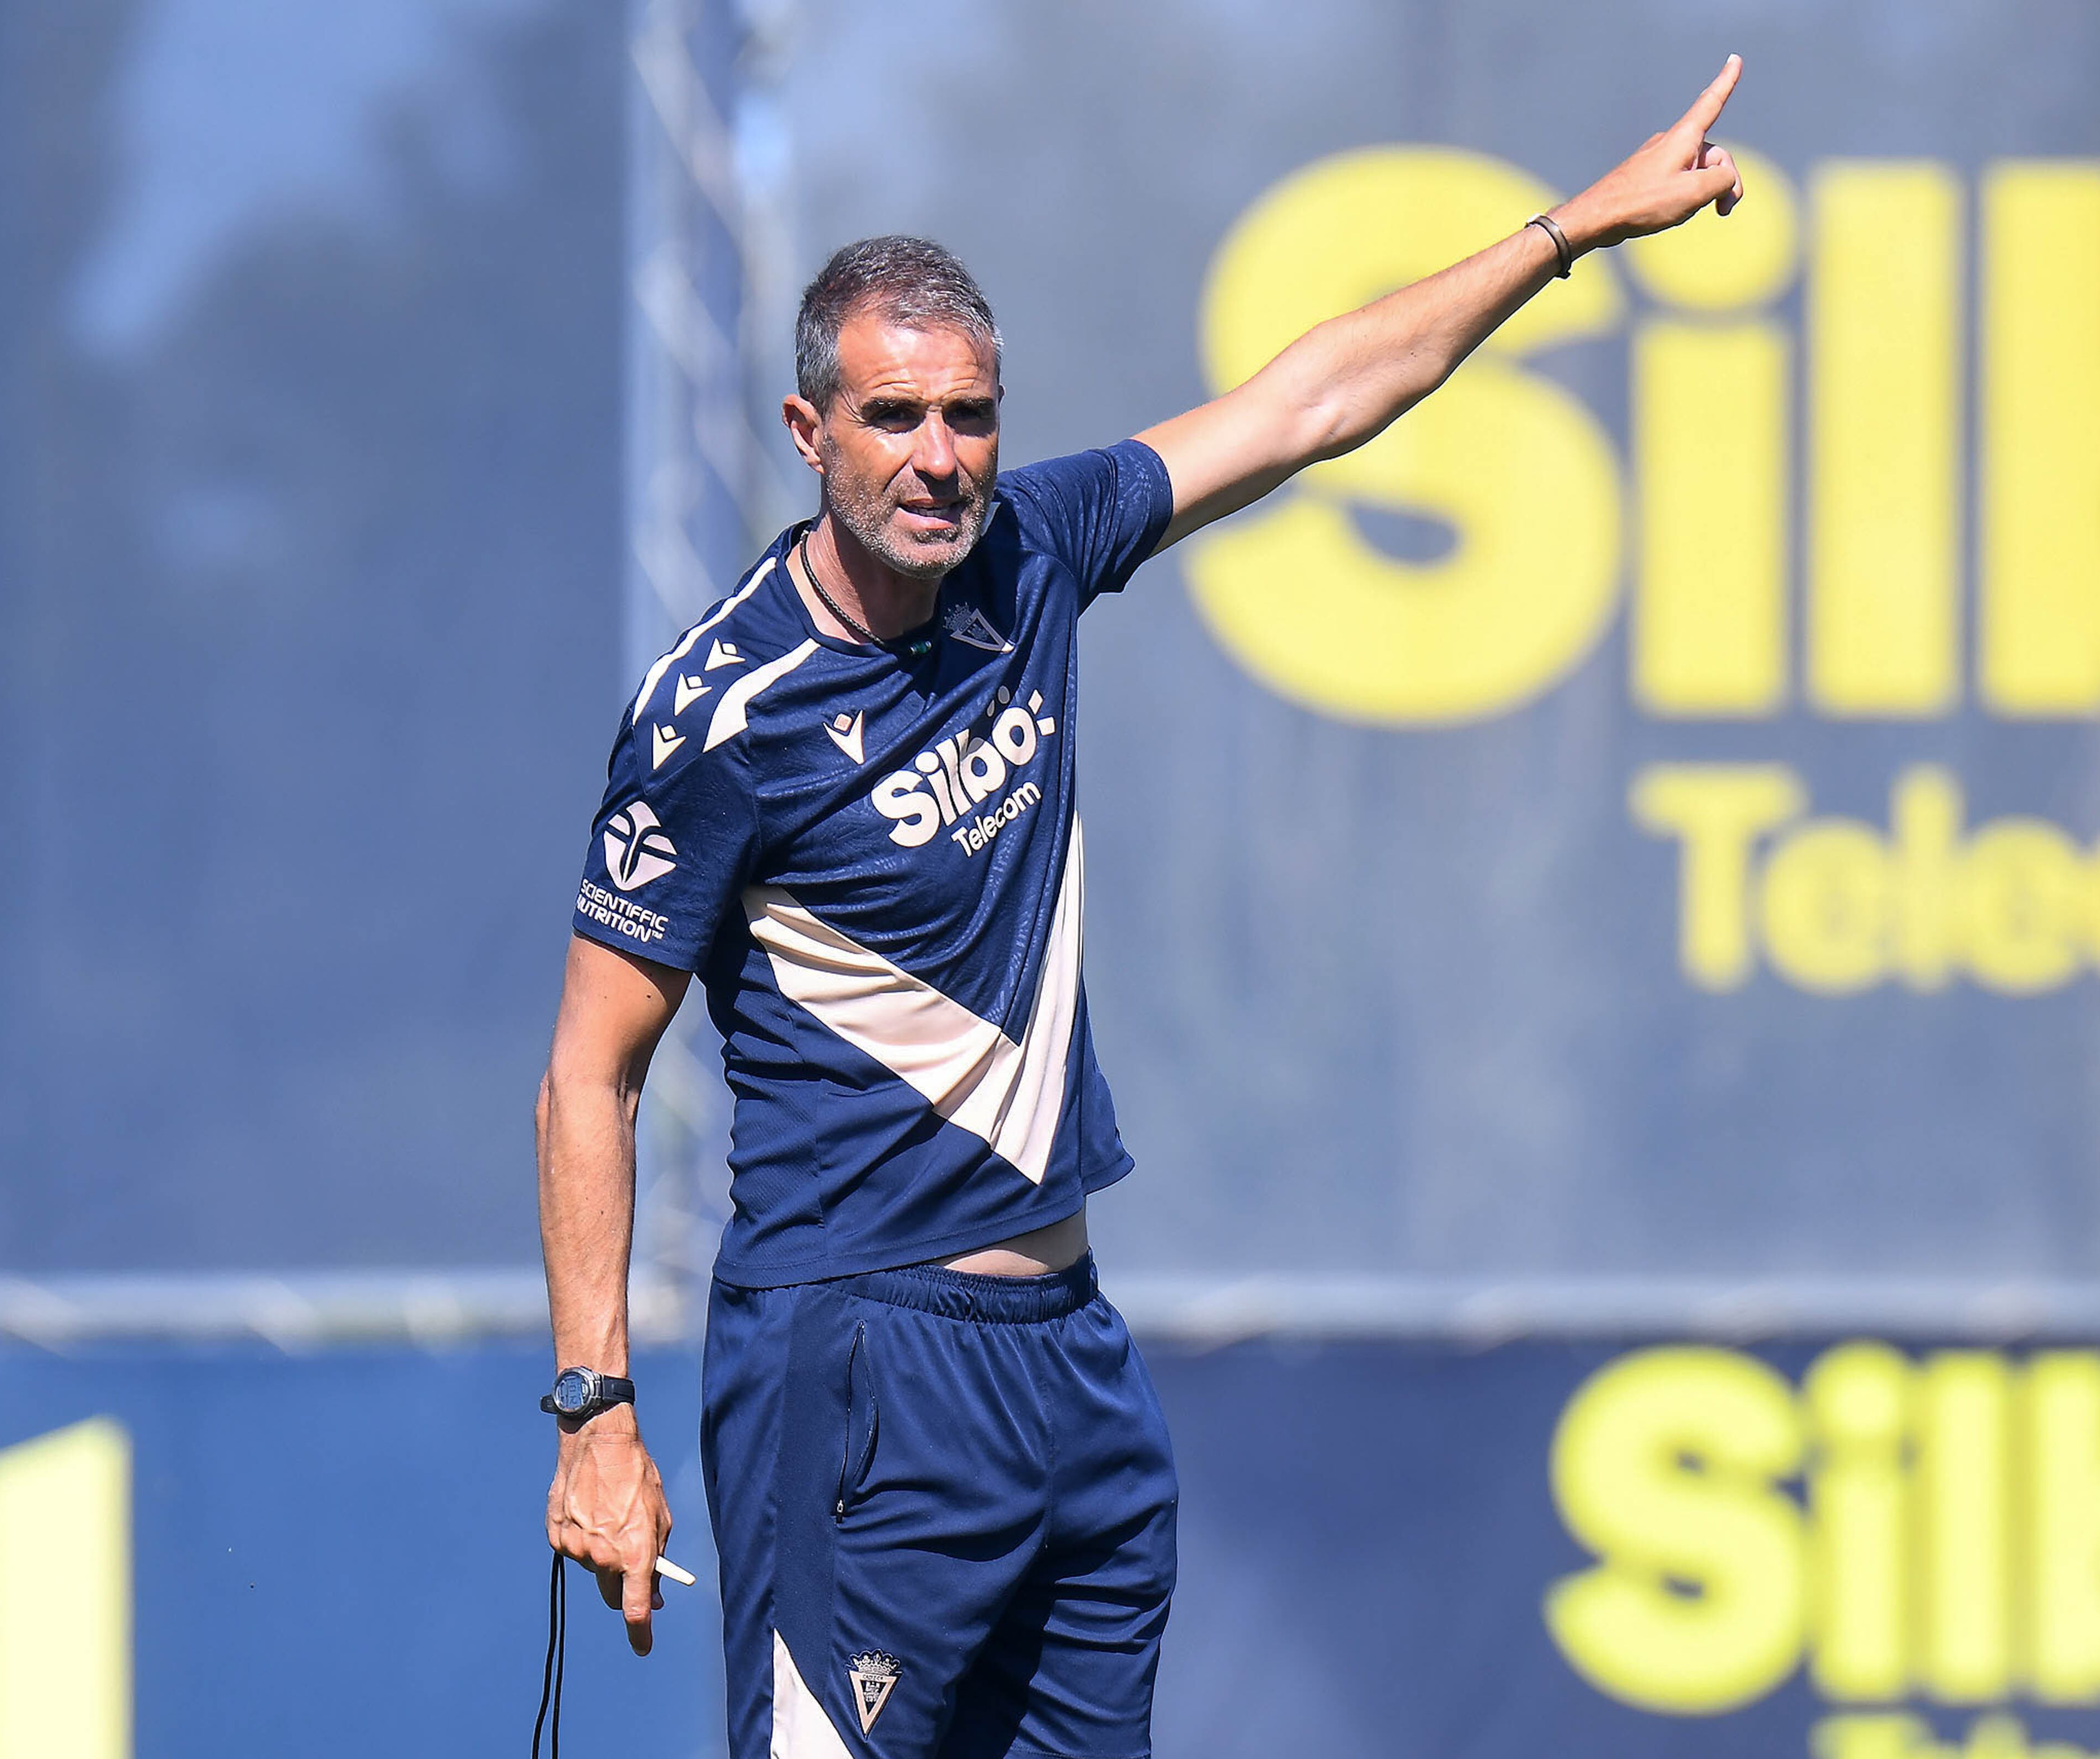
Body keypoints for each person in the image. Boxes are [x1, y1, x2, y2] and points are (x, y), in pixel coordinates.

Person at [537, 53, 1748, 1758]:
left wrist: (1565, 235)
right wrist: (596, 1413)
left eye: (969, 416)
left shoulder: (1030, 552)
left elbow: (1306, 401)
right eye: (895, 419)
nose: (941, 460)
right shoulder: (721, 717)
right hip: (862, 1363)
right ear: (810, 434)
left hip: (1069, 1364)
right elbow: (585, 1074)